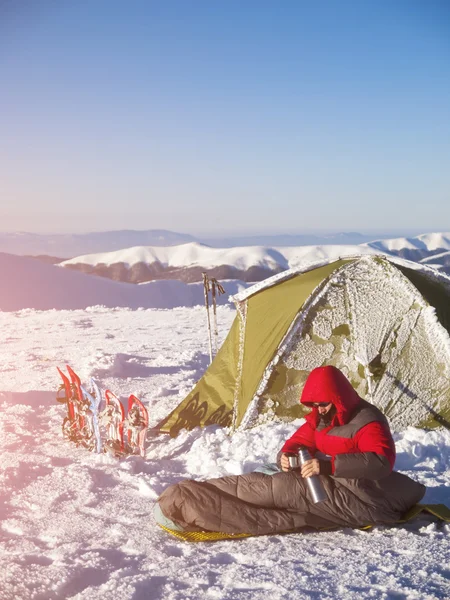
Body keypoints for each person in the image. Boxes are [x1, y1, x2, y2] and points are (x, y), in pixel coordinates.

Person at [155, 366, 425, 535]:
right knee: (266, 483)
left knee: (277, 490)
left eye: (323, 404)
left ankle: (187, 502)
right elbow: (298, 441)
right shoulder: (322, 417)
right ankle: (189, 496)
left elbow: (380, 462)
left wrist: (329, 466)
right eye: (314, 404)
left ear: (338, 399)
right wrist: (286, 456)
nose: (318, 410)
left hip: (364, 497)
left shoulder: (368, 421)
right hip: (331, 483)